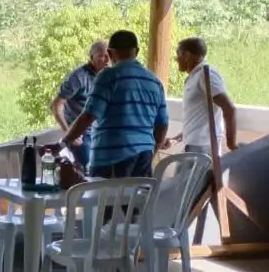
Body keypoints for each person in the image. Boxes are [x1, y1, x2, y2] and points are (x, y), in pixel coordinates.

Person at [61, 30, 169, 178]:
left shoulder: (108, 76)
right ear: (136, 52)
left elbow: (88, 116)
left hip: (110, 158)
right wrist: (151, 150)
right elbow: (162, 124)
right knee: (136, 200)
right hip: (143, 157)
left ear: (111, 54)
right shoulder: (154, 82)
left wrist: (65, 141)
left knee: (106, 200)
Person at [165, 37, 239, 154]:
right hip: (194, 146)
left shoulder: (206, 74)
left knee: (183, 173)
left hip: (202, 148)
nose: (176, 59)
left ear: (188, 55)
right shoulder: (196, 76)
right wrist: (176, 139)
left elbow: (229, 108)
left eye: (178, 54)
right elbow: (198, 120)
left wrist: (232, 145)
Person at [51, 41, 109, 167]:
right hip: (81, 133)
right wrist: (68, 133)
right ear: (91, 56)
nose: (106, 60)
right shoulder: (79, 77)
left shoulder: (108, 75)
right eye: (101, 56)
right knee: (90, 167)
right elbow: (56, 105)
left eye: (108, 55)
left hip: (100, 131)